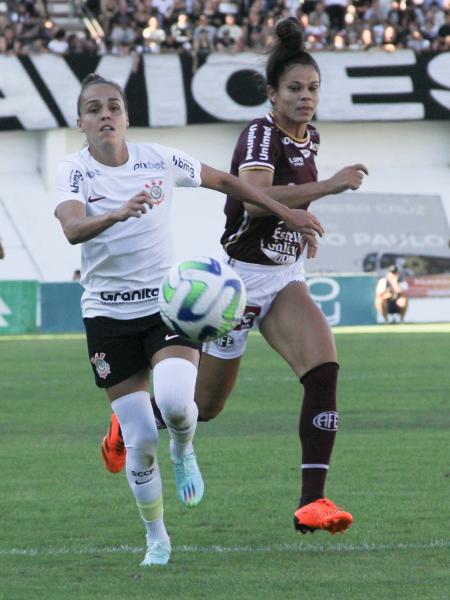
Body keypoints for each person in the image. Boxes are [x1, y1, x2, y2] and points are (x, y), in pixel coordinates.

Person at [102, 19, 369, 537]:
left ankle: (312, 502)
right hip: (239, 283)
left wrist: (303, 228)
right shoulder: (260, 135)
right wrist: (329, 189)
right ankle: (129, 421)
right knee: (205, 407)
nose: (305, 98)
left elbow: (289, 204)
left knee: (324, 368)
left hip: (285, 276)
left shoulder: (308, 137)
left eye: (312, 89)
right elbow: (252, 196)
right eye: (294, 89)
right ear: (272, 94)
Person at [54, 72, 325, 567]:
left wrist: (284, 212)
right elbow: (73, 227)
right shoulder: (74, 171)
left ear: (127, 117)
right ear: (80, 122)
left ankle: (183, 448)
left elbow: (226, 180)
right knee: (138, 440)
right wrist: (117, 213)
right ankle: (157, 538)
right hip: (108, 317)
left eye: (114, 106)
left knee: (179, 405)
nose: (105, 115)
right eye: (94, 109)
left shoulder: (158, 159)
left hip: (166, 305)